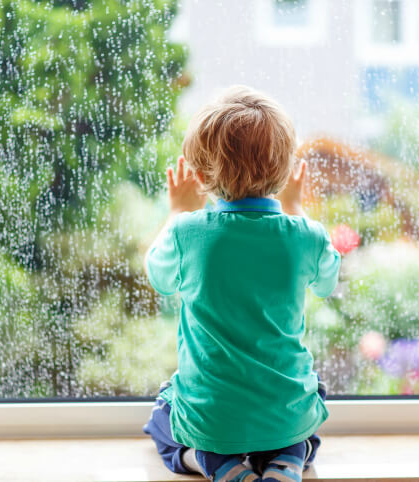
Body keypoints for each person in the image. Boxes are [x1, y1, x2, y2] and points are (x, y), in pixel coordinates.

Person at [143, 85, 341, 482]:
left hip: (215, 419)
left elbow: (159, 279)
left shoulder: (188, 233)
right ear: (286, 171)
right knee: (307, 394)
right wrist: (297, 208)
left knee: (160, 418)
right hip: (284, 415)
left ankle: (212, 461)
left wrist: (179, 210)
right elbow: (326, 285)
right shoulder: (305, 235)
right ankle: (289, 456)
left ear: (199, 176)